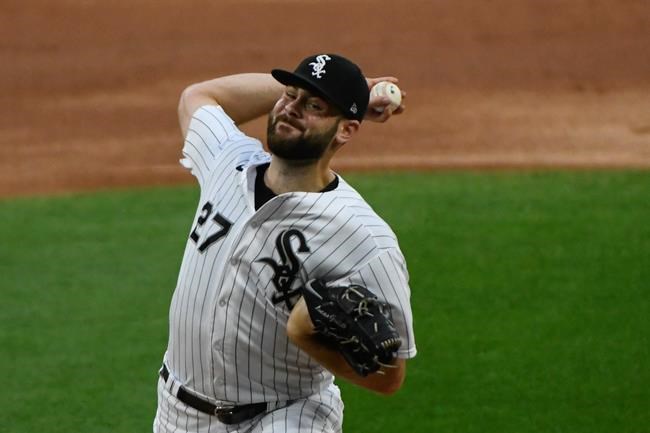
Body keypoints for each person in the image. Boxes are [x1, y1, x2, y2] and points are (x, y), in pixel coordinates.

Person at [153, 53, 417, 433]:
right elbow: (199, 96)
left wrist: (309, 339)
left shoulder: (365, 239)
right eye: (289, 96)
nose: (292, 109)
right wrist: (343, 87)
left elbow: (390, 376)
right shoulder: (227, 161)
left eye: (313, 106)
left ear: (346, 130)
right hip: (177, 415)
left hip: (286, 417)